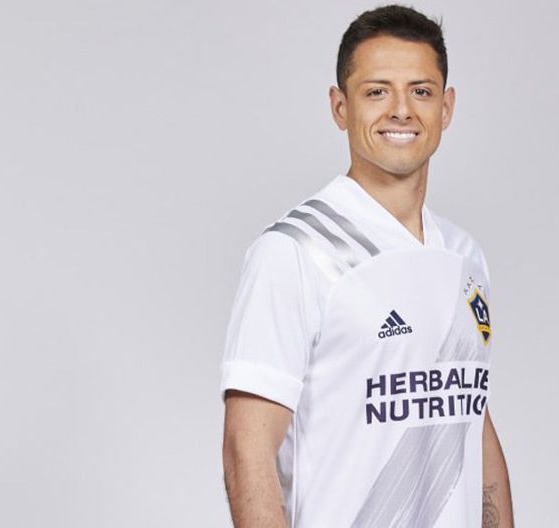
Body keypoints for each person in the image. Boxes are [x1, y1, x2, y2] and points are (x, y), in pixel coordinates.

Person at [220, 5, 513, 527]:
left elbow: (473, 425)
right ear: (340, 107)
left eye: (420, 91)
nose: (401, 110)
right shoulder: (295, 252)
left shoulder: (465, 256)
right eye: (377, 91)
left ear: (446, 107)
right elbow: (247, 449)